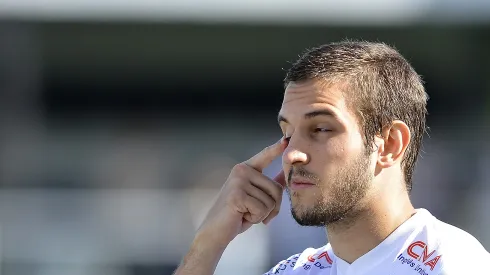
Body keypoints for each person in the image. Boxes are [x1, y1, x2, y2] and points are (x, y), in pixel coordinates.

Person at [173, 41, 490, 275]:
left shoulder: (454, 264)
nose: (292, 154)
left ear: (390, 144)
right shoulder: (296, 270)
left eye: (321, 128)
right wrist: (208, 242)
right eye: (287, 132)